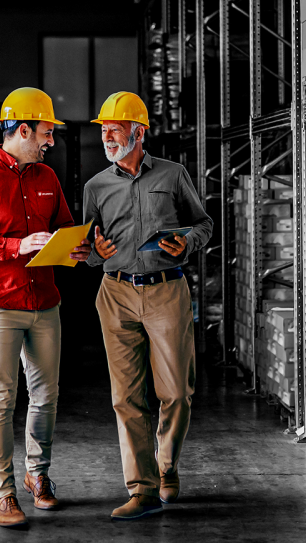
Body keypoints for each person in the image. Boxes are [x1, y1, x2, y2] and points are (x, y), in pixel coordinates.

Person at [0, 87, 92, 528]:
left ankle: (38, 475)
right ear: (23, 129)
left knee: (46, 395)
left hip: (45, 301)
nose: (50, 141)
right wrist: (15, 246)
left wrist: (76, 248)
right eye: (46, 133)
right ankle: (4, 492)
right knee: (1, 398)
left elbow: (64, 227)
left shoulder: (48, 178)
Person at [82, 91, 214, 521]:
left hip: (165, 290)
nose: (107, 135)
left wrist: (187, 242)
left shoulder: (174, 176)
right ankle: (142, 488)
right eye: (103, 129)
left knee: (176, 390)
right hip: (115, 292)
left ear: (139, 132)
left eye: (114, 128)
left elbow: (203, 223)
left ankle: (167, 464)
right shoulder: (95, 187)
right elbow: (88, 250)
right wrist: (95, 252)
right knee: (126, 397)